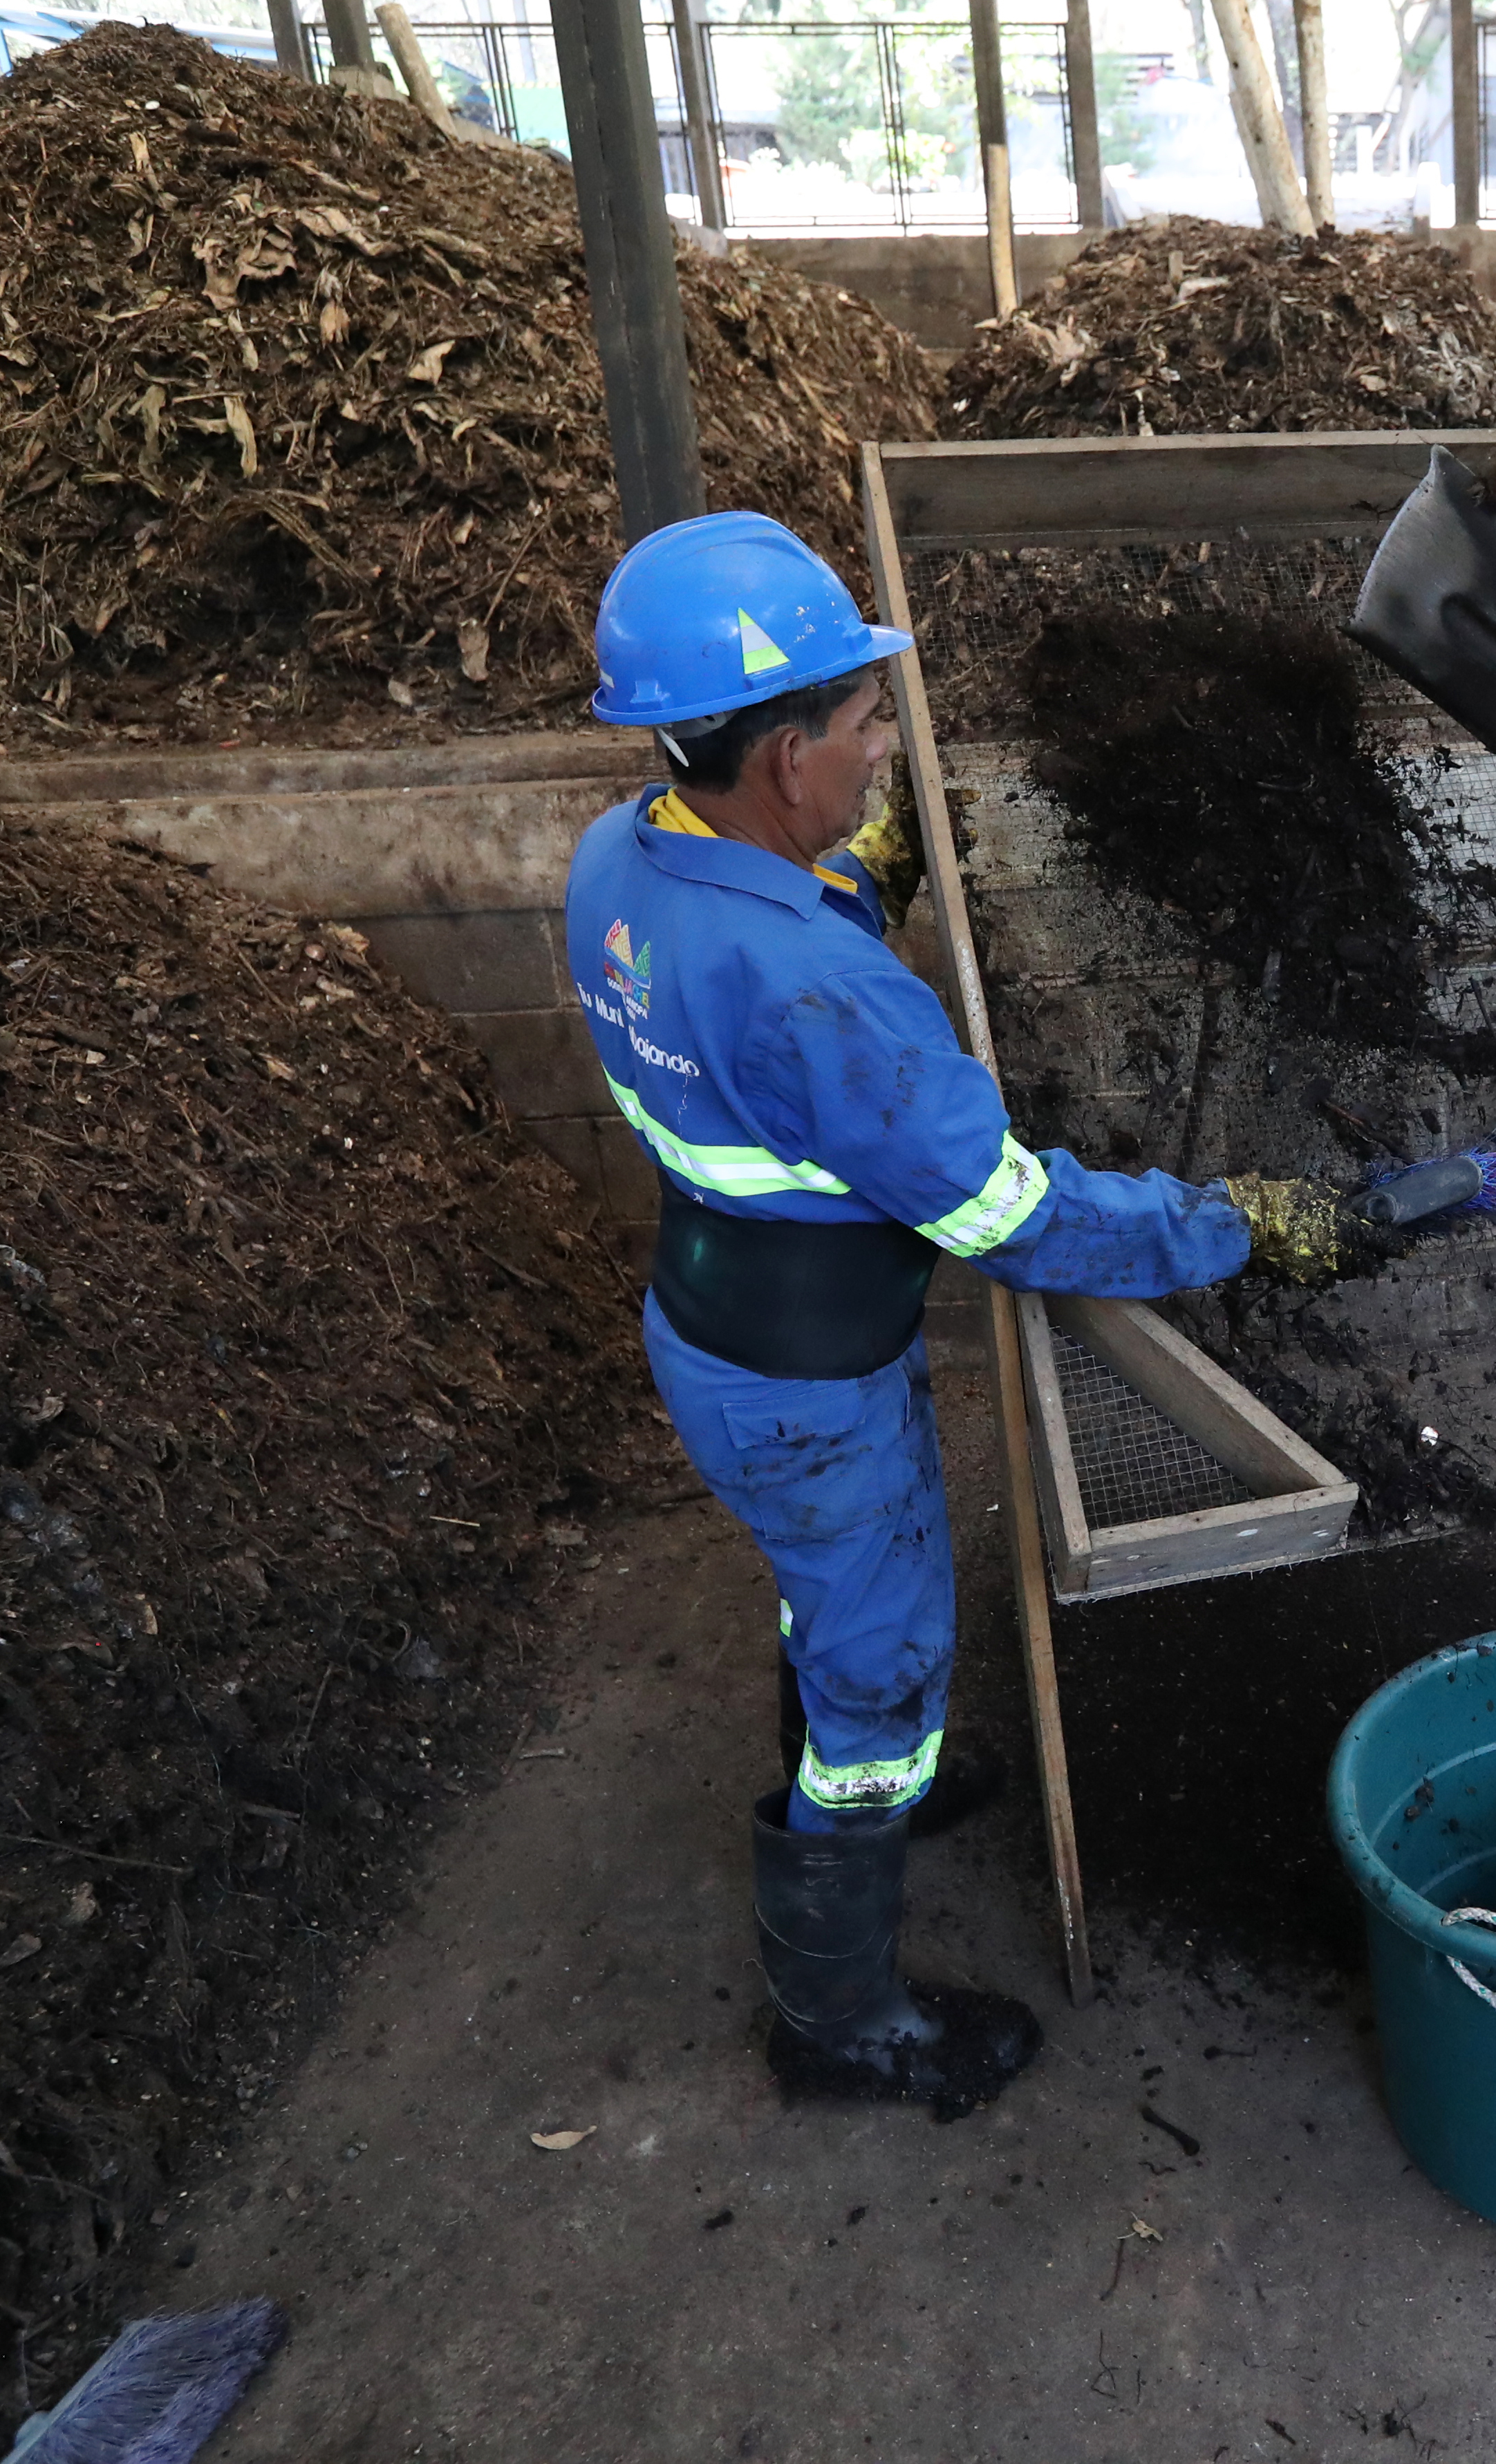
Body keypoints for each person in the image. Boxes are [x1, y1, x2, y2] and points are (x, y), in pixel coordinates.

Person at [565, 512, 1251, 2111]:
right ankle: (839, 2020)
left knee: (833, 1586)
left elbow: (752, 981)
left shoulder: (628, 855)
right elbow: (1008, 1215)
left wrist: (869, 873)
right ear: (788, 754)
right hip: (810, 1388)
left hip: (717, 1327)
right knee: (878, 1667)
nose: (886, 747)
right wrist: (1225, 1226)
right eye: (868, 724)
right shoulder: (824, 993)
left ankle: (885, 1771)